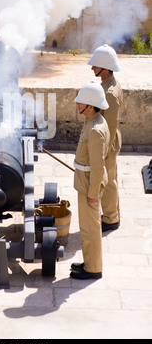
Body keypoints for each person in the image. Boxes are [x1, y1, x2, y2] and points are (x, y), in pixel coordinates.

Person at [71, 81, 110, 280]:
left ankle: (93, 268)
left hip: (89, 184)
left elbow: (97, 166)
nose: (78, 106)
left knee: (90, 228)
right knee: (87, 227)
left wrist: (93, 194)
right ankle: (89, 262)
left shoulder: (95, 130)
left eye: (81, 103)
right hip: (85, 180)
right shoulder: (95, 121)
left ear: (91, 105)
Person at [88, 44, 123, 232]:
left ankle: (110, 219)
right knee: (111, 178)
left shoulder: (109, 93)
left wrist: (105, 149)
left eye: (95, 65)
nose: (92, 68)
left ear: (105, 67)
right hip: (111, 138)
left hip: (109, 141)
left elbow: (110, 124)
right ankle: (113, 213)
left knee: (107, 181)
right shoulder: (109, 85)